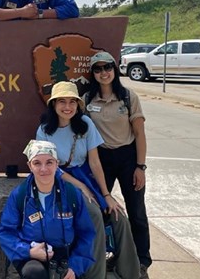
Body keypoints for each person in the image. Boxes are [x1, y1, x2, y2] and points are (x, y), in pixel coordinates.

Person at [37, 81, 141, 279]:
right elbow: (51, 167)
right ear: (53, 104)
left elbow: (94, 162)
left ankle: (131, 273)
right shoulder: (44, 130)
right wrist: (81, 186)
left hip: (85, 175)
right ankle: (96, 274)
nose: (67, 107)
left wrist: (106, 194)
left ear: (78, 105)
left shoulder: (86, 125)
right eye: (62, 102)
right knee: (93, 213)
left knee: (118, 216)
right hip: (59, 180)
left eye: (72, 102)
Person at [84, 52, 151, 279]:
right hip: (100, 159)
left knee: (136, 211)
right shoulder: (86, 100)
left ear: (115, 69)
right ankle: (108, 255)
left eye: (108, 67)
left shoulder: (128, 97)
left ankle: (142, 260)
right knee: (102, 209)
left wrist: (140, 167)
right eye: (98, 68)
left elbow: (140, 133)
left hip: (127, 157)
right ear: (93, 73)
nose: (104, 73)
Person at [0, 140, 96, 279]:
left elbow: (86, 234)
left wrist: (75, 267)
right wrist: (28, 252)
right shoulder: (20, 195)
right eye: (37, 163)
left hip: (66, 256)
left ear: (57, 164)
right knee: (34, 272)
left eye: (49, 162)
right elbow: (6, 233)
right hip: (33, 257)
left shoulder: (71, 194)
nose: (44, 169)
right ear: (30, 166)